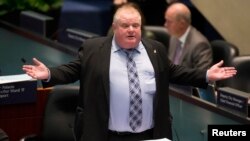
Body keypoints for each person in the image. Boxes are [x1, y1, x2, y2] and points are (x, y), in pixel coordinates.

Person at [22, 3, 237, 141]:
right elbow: (73, 70)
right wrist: (48, 73)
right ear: (115, 27)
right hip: (108, 136)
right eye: (125, 25)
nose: (132, 30)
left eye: (136, 25)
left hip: (149, 136)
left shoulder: (155, 49)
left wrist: (206, 75)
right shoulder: (94, 48)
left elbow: (174, 71)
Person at [165, 2, 212, 70]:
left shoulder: (200, 45)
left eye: (169, 21)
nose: (165, 25)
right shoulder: (174, 37)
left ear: (181, 24)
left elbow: (203, 77)